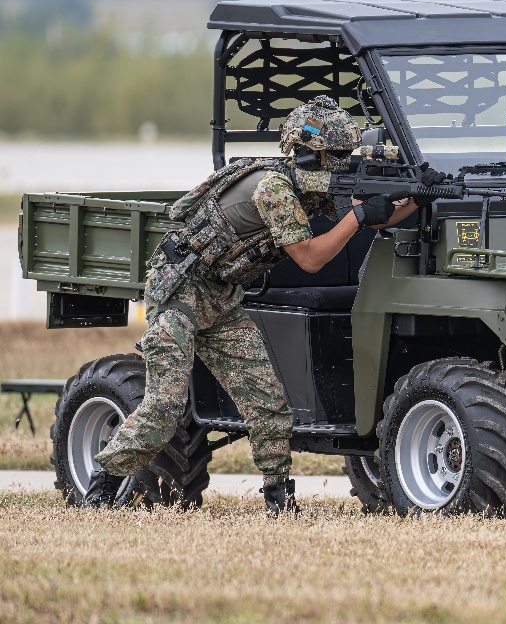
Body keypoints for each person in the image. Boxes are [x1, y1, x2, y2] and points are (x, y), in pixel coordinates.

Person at [83, 95, 417, 514]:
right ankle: (102, 487)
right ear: (308, 154)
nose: (341, 164)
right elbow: (311, 258)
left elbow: (371, 213)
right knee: (164, 407)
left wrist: (416, 196)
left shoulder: (309, 185)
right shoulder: (274, 188)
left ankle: (279, 501)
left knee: (268, 404)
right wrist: (361, 216)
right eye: (335, 156)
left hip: (221, 298)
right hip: (181, 295)